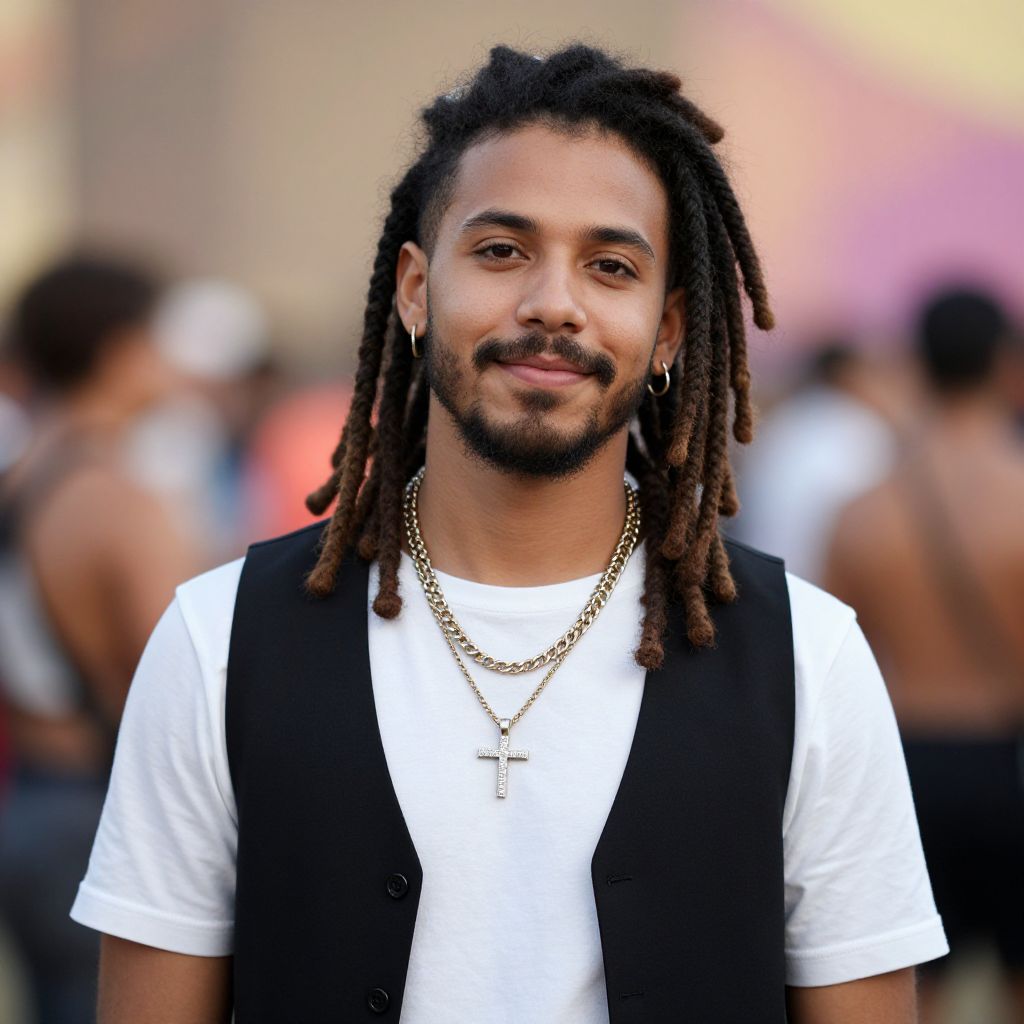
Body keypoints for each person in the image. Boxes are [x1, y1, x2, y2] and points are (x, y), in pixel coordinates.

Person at [71, 45, 946, 1022]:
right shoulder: (219, 642)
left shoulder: (807, 657)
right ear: (415, 288)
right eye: (500, 251)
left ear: (667, 329)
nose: (553, 305)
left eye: (611, 267)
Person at [0, 254, 198, 1024]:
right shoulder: (117, 500)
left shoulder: (22, 474)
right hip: (101, 808)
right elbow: (180, 680)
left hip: (30, 797)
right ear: (121, 351)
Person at [824, 286, 1024, 1023]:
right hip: (1009, 762)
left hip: (903, 770)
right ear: (1007, 366)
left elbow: (829, 668)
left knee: (914, 988)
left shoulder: (861, 514)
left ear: (916, 368)